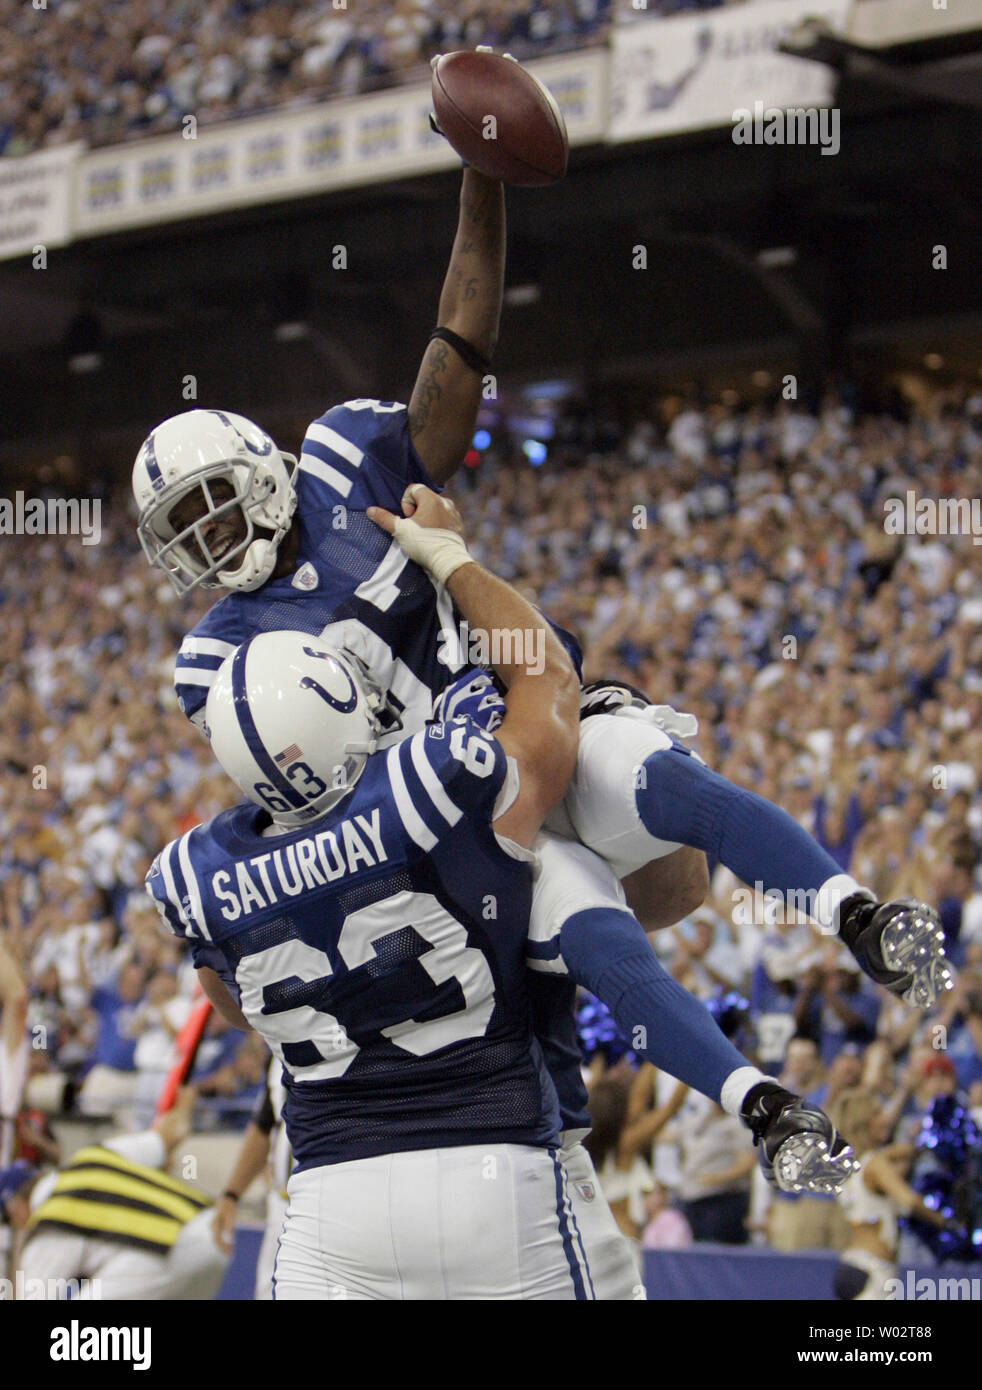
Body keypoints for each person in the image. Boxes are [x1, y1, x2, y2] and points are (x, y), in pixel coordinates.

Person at [147, 492, 602, 1298]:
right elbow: (549, 676)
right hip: (490, 1167)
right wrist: (451, 560)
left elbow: (234, 1006)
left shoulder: (196, 874)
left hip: (330, 1200)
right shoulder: (433, 784)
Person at [0, 1087, 228, 1300]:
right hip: (214, 1228)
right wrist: (186, 1096)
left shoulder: (50, 1223)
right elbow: (174, 1132)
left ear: (15, 1207)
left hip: (165, 1249)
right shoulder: (93, 1157)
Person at [828, 1087, 957, 1300]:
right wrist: (944, 1222)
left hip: (851, 1264)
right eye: (877, 1114)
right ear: (864, 1122)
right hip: (874, 1270)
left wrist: (922, 1145)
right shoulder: (876, 1165)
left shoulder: (847, 1163)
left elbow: (899, 1152)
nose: (885, 1119)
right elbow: (910, 1201)